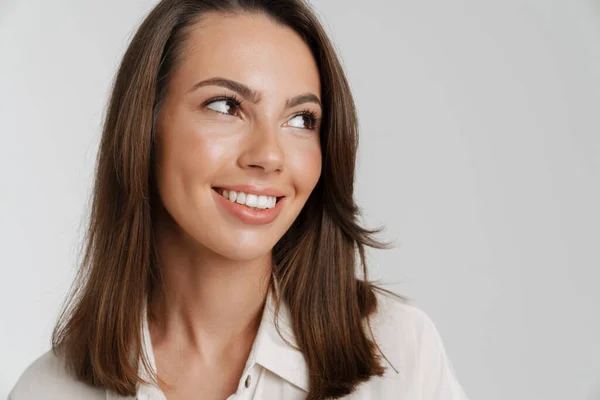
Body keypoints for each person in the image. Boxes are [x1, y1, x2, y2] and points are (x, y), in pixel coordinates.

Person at [8, 0, 469, 399]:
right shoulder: (47, 391)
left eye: (301, 119)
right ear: (145, 127)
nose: (269, 155)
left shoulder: (398, 355)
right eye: (226, 106)